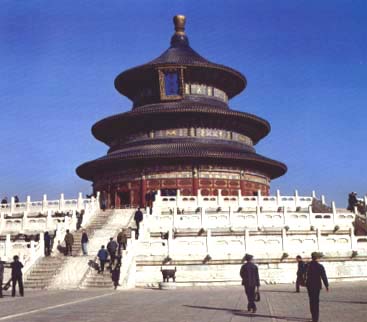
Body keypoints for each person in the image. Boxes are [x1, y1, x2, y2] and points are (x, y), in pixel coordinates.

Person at [306, 252, 329, 322]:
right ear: (317, 258)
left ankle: (313, 316)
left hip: (309, 285)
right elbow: (323, 276)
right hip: (317, 286)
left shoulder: (308, 265)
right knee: (316, 301)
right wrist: (326, 285)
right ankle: (315, 319)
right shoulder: (320, 266)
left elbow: (302, 272)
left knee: (311, 301)